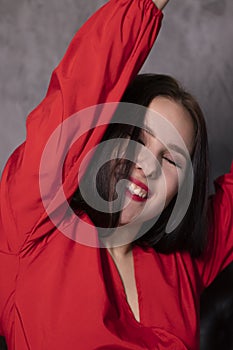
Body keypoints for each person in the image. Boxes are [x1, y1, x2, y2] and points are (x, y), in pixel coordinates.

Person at [0, 0, 232, 349]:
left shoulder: (183, 263)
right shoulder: (35, 224)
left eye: (171, 160)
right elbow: (81, 87)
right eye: (138, 138)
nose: (148, 165)